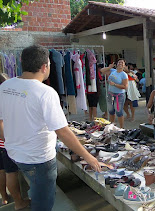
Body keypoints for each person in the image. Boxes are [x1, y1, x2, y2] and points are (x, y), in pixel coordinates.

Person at [0, 45, 101, 211]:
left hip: (15, 154)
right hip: (39, 160)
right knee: (43, 204)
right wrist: (88, 157)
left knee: (35, 188)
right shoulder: (45, 92)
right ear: (44, 67)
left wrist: (12, 140)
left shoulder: (5, 87)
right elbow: (62, 131)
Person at [0, 73, 30, 210]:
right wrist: (8, 140)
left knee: (4, 171)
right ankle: (18, 202)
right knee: (11, 173)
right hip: (6, 143)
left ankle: (5, 198)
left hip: (3, 144)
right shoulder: (4, 99)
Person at [100, 59, 128, 128]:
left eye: (122, 63)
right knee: (111, 111)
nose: (120, 64)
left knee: (119, 112)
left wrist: (114, 84)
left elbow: (125, 86)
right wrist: (109, 67)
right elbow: (102, 71)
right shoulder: (113, 71)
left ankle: (121, 127)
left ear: (124, 65)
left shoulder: (124, 75)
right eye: (119, 62)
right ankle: (112, 126)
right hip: (110, 94)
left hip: (119, 95)